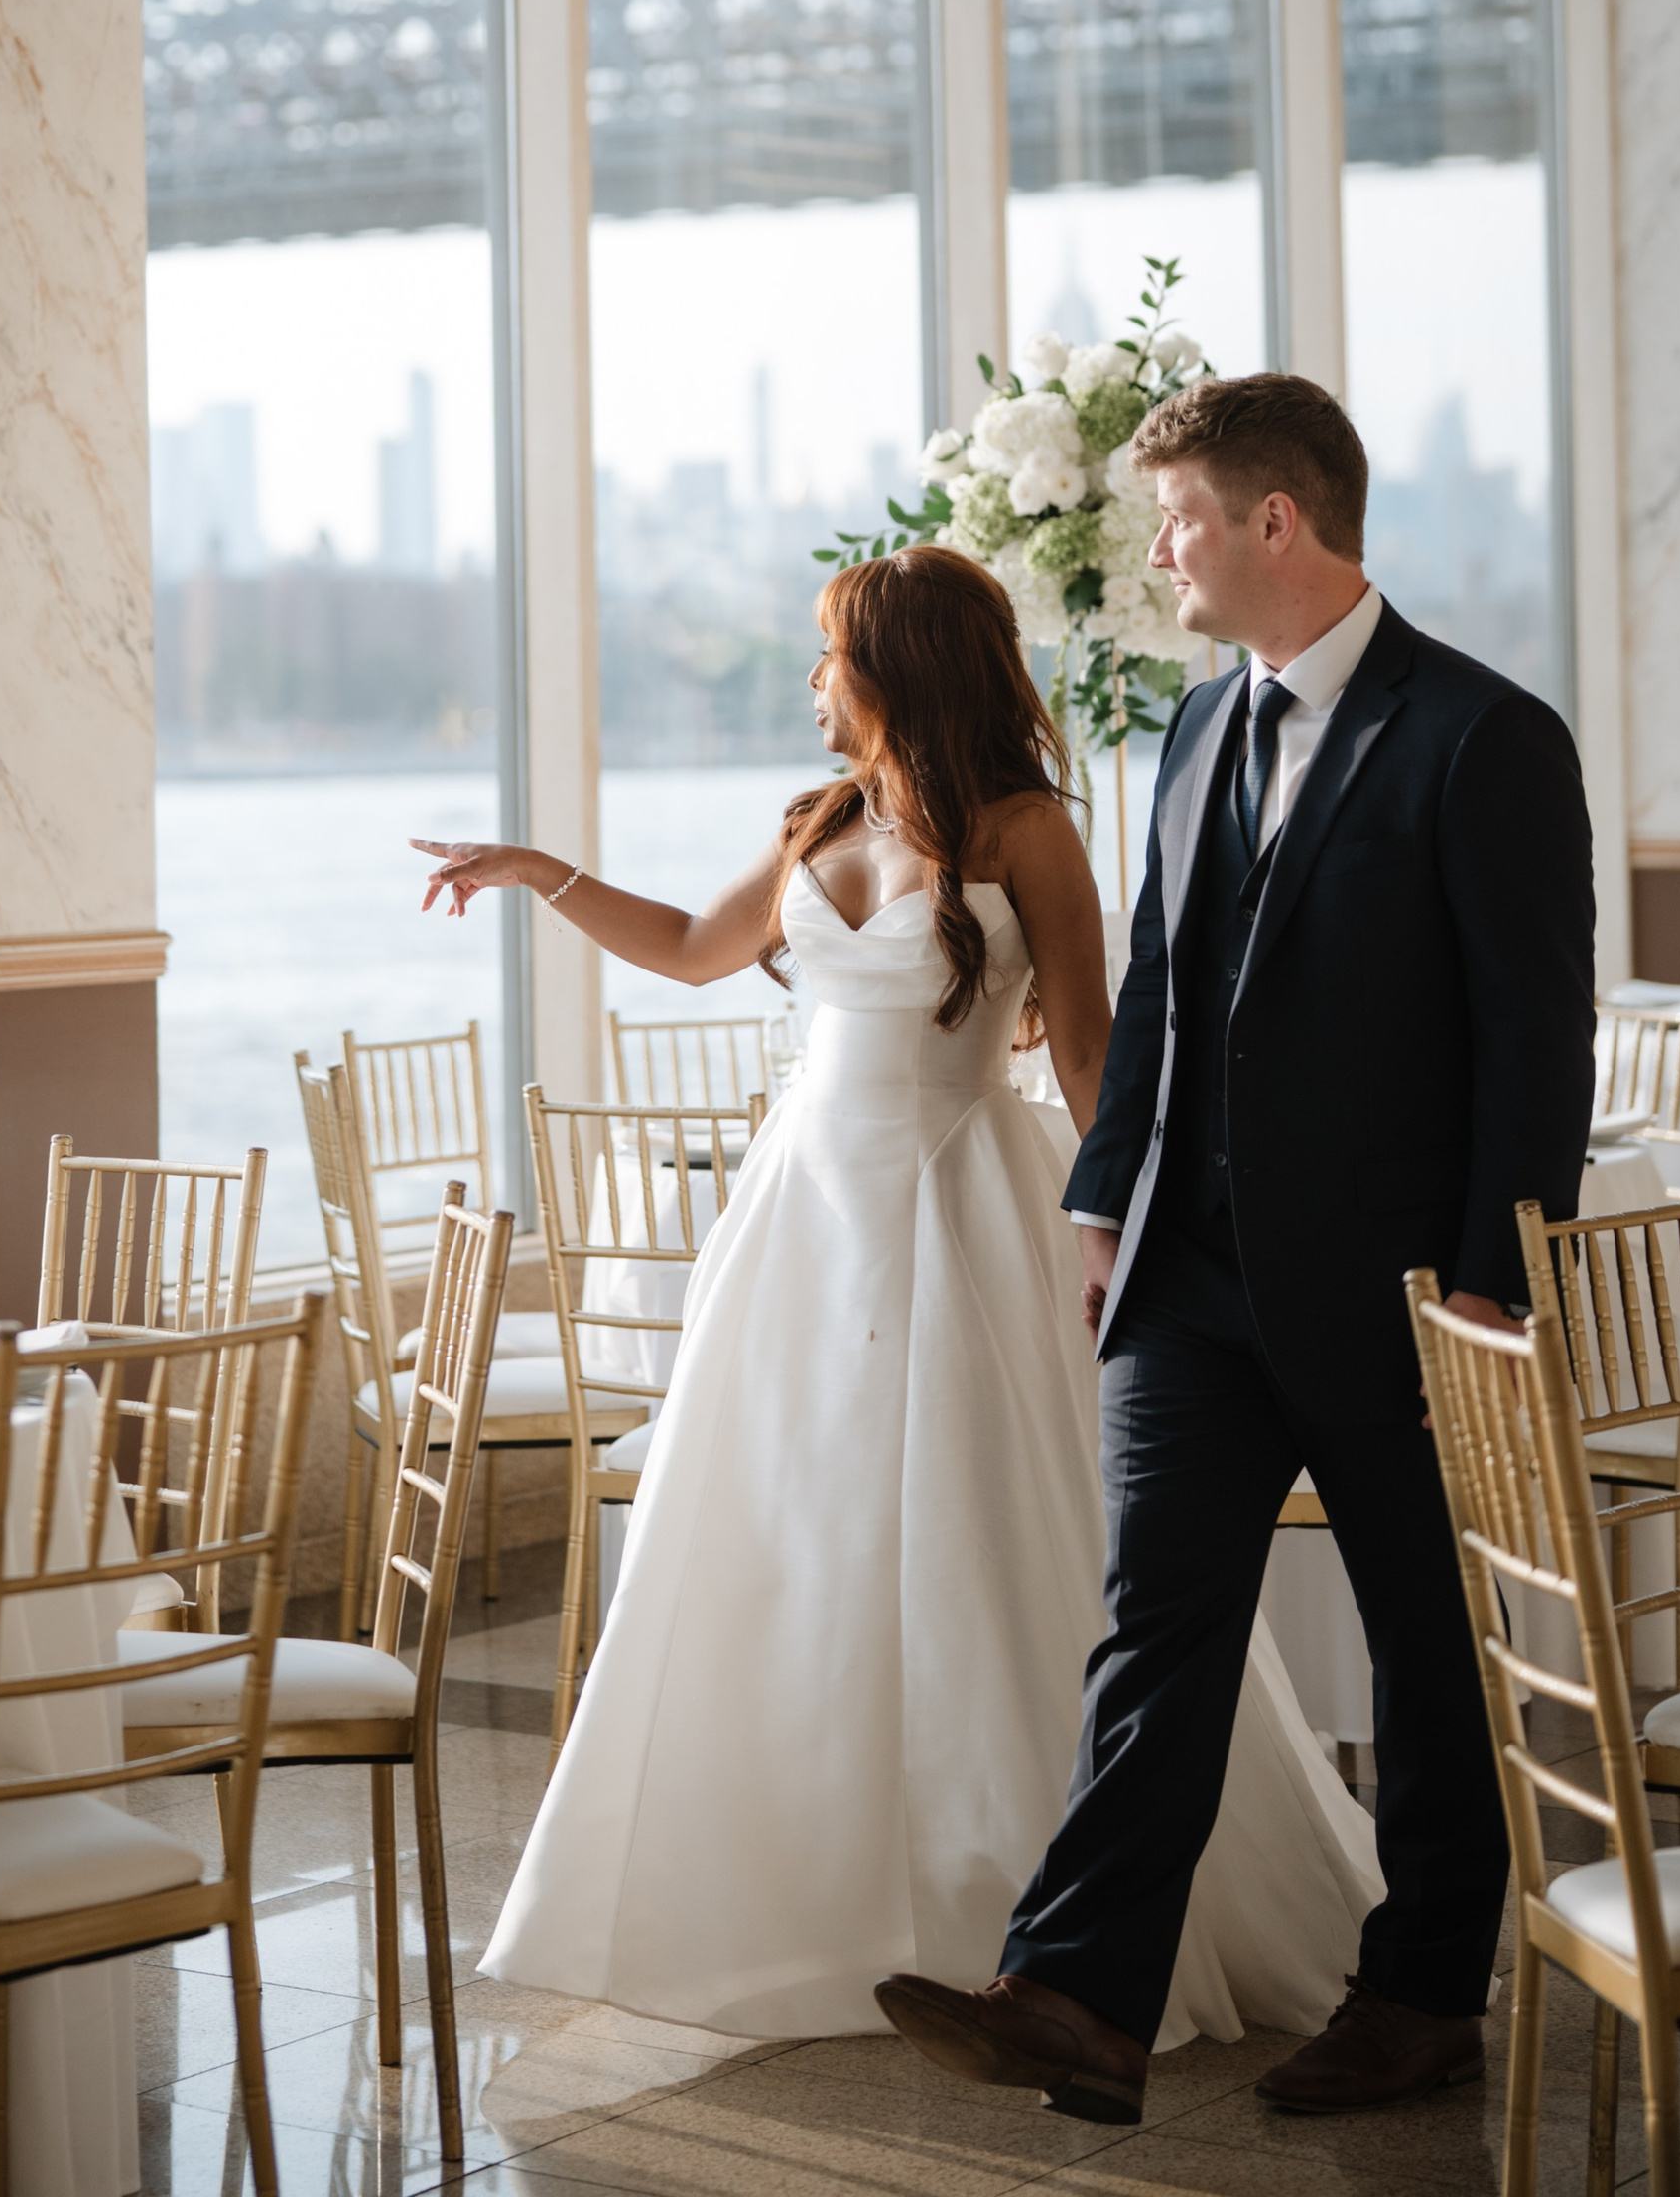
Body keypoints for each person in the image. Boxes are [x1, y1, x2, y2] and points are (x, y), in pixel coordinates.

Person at [413, 539, 1379, 2048]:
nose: (811, 682)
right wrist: (538, 872)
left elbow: (1084, 1047)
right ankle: (804, 1900)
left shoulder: (1027, 828)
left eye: (829, 654)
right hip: (803, 1219)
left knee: (987, 1541)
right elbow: (683, 948)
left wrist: (1120, 1222)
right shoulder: (823, 819)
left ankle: (1014, 1912)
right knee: (797, 1539)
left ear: (897, 665)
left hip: (963, 1205)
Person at [880, 373, 1594, 2125]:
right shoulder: (1200, 730)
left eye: (1181, 518)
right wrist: (1104, 1200)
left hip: (1412, 1296)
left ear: (1280, 522)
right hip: (1188, 1284)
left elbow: (1536, 1043)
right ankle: (1080, 1997)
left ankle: (1424, 1992)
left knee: (1429, 1648)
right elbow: (1164, 1003)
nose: (1161, 553)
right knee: (1157, 1625)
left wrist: (1493, 1290)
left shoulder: (1485, 738)